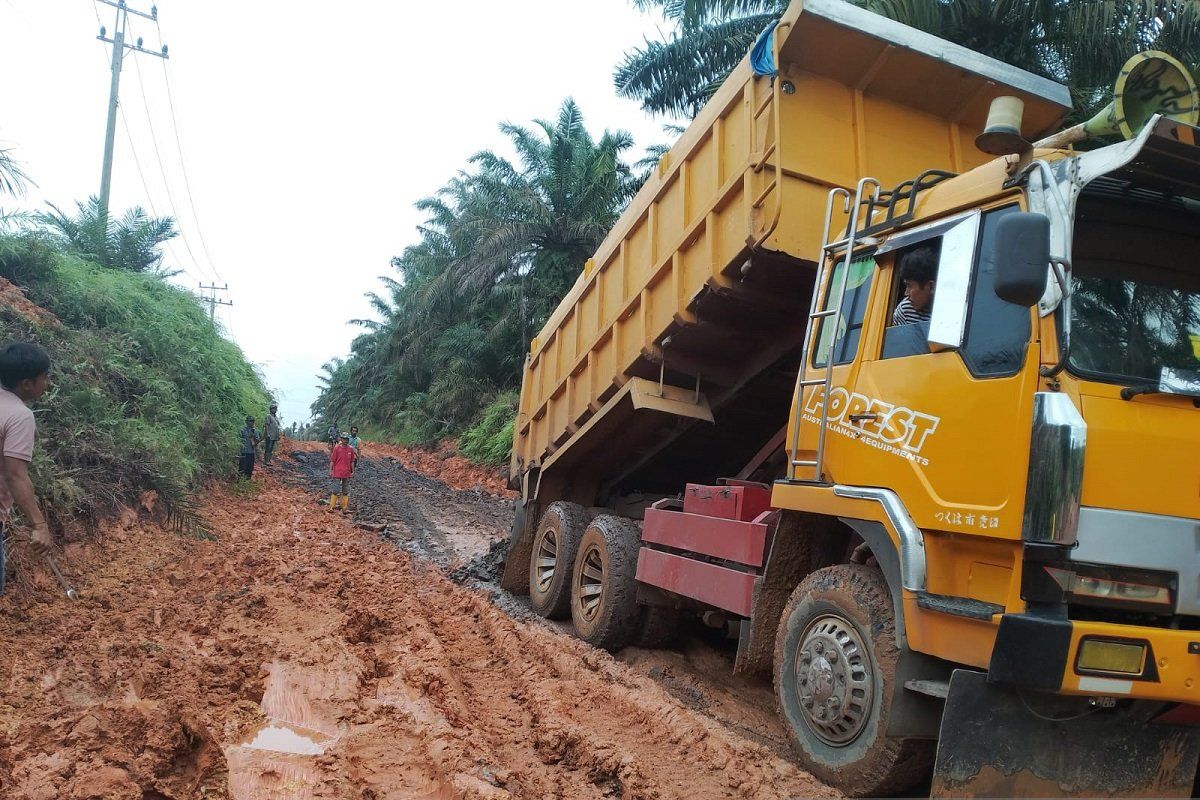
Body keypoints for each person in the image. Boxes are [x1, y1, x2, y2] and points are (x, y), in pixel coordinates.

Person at [0, 342, 54, 595]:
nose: (48, 383)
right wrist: (39, 525)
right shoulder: (19, 415)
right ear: (26, 383)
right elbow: (15, 474)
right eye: (44, 378)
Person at [892, 244, 938, 326]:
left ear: (931, 287)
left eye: (909, 286)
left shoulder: (952, 309)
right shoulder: (905, 311)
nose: (906, 293)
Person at [328, 433, 357, 513]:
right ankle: (331, 507)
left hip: (346, 473)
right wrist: (330, 471)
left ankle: (344, 508)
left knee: (345, 491)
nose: (346, 441)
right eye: (344, 439)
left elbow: (352, 462)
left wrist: (353, 471)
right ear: (341, 439)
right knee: (335, 490)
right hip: (337, 472)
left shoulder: (350, 449)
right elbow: (332, 461)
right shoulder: (337, 449)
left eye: (347, 439)